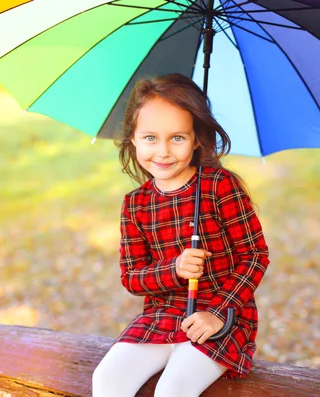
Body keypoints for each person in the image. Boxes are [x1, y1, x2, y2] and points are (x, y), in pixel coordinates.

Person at [92, 73, 270, 397]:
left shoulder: (218, 186)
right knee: (107, 379)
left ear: (197, 138)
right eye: (150, 138)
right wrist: (173, 269)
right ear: (132, 138)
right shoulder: (136, 203)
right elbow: (132, 277)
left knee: (172, 389)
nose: (162, 151)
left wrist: (217, 313)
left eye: (177, 138)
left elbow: (255, 255)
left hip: (223, 317)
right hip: (162, 314)